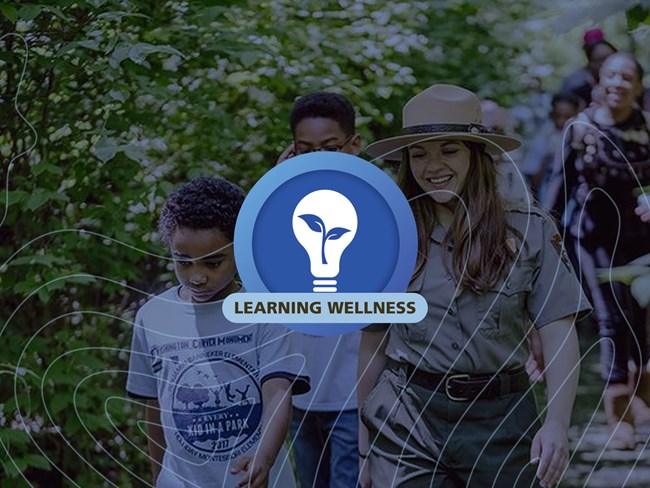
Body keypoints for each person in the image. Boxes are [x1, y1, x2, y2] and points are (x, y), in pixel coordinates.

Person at [359, 84, 590, 488]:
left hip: (502, 418)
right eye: (419, 152)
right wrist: (364, 445)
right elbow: (373, 342)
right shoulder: (387, 235)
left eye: (449, 149)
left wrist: (556, 423)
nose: (433, 165)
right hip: (406, 415)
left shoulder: (529, 228)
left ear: (476, 154)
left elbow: (558, 330)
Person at [126, 176, 310, 487]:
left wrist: (263, 459)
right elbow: (153, 408)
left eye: (213, 263)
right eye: (183, 262)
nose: (196, 277)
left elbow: (278, 393)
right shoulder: (152, 317)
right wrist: (158, 478)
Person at [545, 52, 650, 450]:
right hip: (593, 238)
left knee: (641, 321)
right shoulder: (580, 128)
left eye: (627, 77)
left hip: (642, 241)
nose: (618, 83)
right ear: (598, 81)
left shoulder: (647, 127)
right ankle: (617, 412)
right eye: (611, 75)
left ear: (638, 86)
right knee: (610, 320)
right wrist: (545, 234)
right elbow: (558, 188)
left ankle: (641, 397)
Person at [278, 92, 362, 488]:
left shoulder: (376, 208)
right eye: (304, 150)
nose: (318, 160)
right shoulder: (280, 212)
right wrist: (276, 193)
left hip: (355, 396)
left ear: (354, 146)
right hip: (296, 394)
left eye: (330, 148)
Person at [523, 93, 580, 203]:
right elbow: (532, 178)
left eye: (568, 117)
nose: (561, 122)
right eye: (557, 116)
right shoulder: (542, 139)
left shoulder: (584, 136)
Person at [560, 28, 617, 108]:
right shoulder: (575, 83)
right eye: (599, 60)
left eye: (608, 58)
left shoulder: (621, 80)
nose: (604, 64)